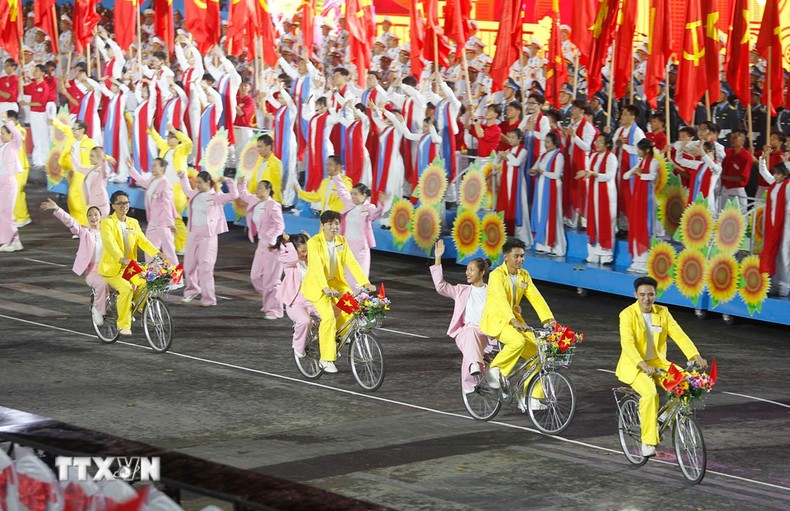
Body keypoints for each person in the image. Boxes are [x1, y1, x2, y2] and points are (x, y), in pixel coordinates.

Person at [616, 276, 708, 457]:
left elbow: (679, 335)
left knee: (686, 382)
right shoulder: (627, 314)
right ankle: (648, 442)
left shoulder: (663, 313)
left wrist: (695, 356)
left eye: (650, 294)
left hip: (658, 364)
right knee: (650, 393)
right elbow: (627, 343)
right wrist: (641, 364)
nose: (646, 299)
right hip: (635, 366)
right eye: (642, 295)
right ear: (636, 294)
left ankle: (666, 418)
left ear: (655, 295)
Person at [479, 237, 556, 412]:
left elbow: (536, 298)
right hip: (498, 319)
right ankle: (495, 371)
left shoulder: (524, 275)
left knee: (539, 352)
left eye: (522, 256)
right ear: (506, 257)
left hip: (514, 320)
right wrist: (512, 320)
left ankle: (530, 397)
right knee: (517, 342)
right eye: (516, 256)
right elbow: (500, 301)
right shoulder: (496, 276)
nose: (520, 259)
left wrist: (549, 319)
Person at [300, 210, 376, 373]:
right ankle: (325, 359)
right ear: (322, 225)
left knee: (353, 309)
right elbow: (316, 268)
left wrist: (365, 282)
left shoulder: (341, 241)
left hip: (336, 283)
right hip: (318, 286)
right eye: (330, 224)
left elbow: (352, 263)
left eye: (336, 224)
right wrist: (325, 288)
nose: (334, 227)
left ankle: (336, 336)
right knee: (328, 318)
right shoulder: (314, 243)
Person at [99, 190, 165, 336]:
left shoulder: (133, 223)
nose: (124, 206)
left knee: (146, 283)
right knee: (126, 289)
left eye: (126, 203)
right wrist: (121, 258)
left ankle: (135, 306)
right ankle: (123, 325)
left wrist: (157, 253)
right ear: (113, 205)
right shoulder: (107, 223)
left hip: (130, 267)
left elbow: (143, 241)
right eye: (120, 203)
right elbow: (110, 244)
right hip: (113, 268)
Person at [430, 239, 491, 394]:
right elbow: (441, 286)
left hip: (486, 334)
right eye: (467, 269)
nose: (467, 273)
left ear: (482, 272)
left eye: (471, 270)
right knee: (471, 335)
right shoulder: (461, 290)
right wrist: (438, 258)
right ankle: (475, 366)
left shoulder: (492, 292)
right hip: (465, 332)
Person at [41, 199, 110, 325]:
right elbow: (71, 223)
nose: (93, 217)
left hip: (110, 268)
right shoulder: (85, 233)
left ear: (101, 216)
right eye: (90, 215)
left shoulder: (108, 232)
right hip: (93, 272)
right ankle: (98, 309)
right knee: (102, 284)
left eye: (95, 214)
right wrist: (57, 209)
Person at [179, 170, 239, 307]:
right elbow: (186, 188)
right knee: (189, 266)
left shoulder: (216, 196)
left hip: (208, 237)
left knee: (206, 268)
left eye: (200, 182)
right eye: (196, 182)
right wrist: (182, 177)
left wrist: (228, 181)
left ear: (208, 182)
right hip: (193, 234)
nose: (197, 185)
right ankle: (191, 291)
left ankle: (209, 298)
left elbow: (234, 195)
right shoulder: (194, 194)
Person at [237, 176, 285, 319]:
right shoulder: (255, 201)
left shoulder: (274, 205)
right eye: (257, 187)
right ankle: (269, 299)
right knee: (255, 276)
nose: (257, 190)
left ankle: (274, 310)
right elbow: (244, 194)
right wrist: (241, 184)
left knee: (272, 279)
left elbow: (280, 225)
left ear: (268, 190)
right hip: (261, 243)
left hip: (273, 246)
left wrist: (272, 239)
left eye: (260, 188)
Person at [126, 157, 179, 265]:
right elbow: (142, 181)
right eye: (152, 165)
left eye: (155, 166)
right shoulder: (152, 180)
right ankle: (154, 275)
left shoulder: (165, 184)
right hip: (153, 221)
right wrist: (132, 169)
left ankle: (176, 278)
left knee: (169, 251)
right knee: (150, 248)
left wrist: (170, 223)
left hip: (164, 222)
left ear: (162, 168)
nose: (152, 168)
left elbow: (167, 205)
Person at [333, 179, 386, 284]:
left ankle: (358, 298)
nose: (352, 196)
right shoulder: (350, 204)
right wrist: (336, 176)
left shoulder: (369, 208)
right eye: (352, 193)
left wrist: (381, 204)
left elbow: (376, 214)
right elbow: (342, 191)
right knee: (345, 272)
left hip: (360, 246)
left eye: (356, 194)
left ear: (364, 195)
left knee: (359, 273)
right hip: (346, 244)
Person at [577, 134, 617, 264]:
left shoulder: (611, 157)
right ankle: (593, 254)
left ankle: (606, 256)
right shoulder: (593, 156)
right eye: (596, 141)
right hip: (594, 193)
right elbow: (589, 171)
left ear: (607, 144)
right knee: (593, 221)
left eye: (600, 142)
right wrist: (584, 173)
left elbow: (609, 176)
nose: (597, 143)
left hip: (607, 194)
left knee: (606, 222)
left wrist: (594, 174)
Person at [623, 139, 659, 274]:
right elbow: (625, 176)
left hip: (647, 201)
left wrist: (640, 174)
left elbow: (653, 176)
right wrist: (633, 172)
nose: (637, 151)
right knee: (636, 227)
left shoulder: (653, 162)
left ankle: (645, 261)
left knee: (645, 228)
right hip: (637, 199)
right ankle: (637, 260)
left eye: (639, 149)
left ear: (647, 150)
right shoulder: (640, 162)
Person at [275, 232, 314, 358]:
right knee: (304, 321)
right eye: (302, 251)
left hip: (313, 299)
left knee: (329, 318)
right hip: (295, 301)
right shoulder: (289, 261)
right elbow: (293, 257)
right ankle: (298, 346)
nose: (305, 254)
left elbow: (322, 253)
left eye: (307, 250)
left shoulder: (311, 261)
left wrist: (311, 240)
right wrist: (289, 243)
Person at [529, 132, 566, 256]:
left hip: (552, 189)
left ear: (555, 143)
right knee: (541, 215)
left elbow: (556, 175)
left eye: (548, 142)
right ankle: (543, 245)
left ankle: (557, 247)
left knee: (552, 217)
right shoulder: (543, 155)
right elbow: (535, 168)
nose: (545, 144)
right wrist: (533, 171)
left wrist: (542, 172)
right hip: (541, 188)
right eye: (545, 141)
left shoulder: (558, 155)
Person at [757, 156, 790, 296]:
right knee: (773, 251)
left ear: (785, 174)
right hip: (772, 222)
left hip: (787, 222)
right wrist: (763, 159)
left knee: (785, 252)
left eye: (778, 173)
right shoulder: (774, 184)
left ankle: (786, 284)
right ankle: (775, 282)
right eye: (775, 173)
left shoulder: (788, 185)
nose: (775, 176)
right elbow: (763, 172)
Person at [0, 119, 23, 252]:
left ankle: (8, 241)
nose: (1, 135)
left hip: (9, 182)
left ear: (10, 135)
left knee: (6, 212)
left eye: (3, 133)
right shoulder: (1, 145)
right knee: (3, 212)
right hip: (1, 181)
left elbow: (18, 135)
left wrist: (8, 123)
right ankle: (14, 240)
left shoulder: (13, 145)